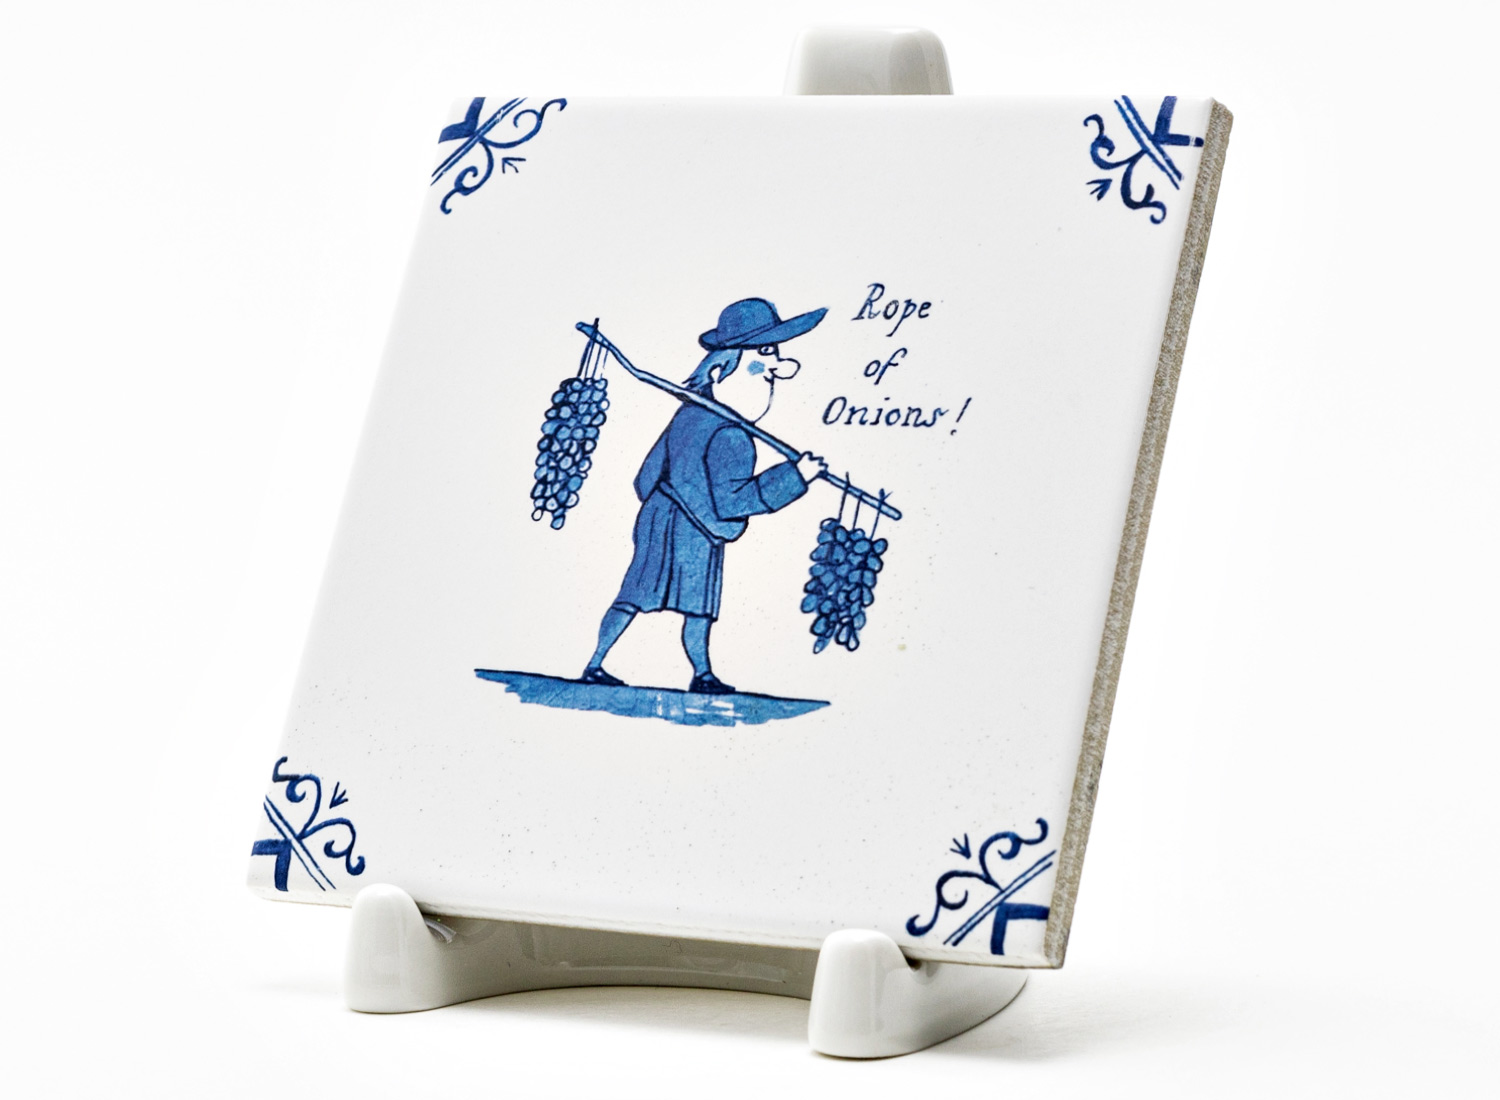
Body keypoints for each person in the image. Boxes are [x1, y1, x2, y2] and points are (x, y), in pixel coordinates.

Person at [581, 298, 829, 694]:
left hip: (661, 516)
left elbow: (646, 477)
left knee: (651, 597)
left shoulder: (689, 415)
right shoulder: (732, 436)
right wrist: (795, 477)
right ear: (721, 369)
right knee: (691, 605)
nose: (774, 368)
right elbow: (734, 501)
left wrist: (661, 504)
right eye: (763, 354)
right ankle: (698, 675)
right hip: (693, 527)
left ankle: (618, 665)